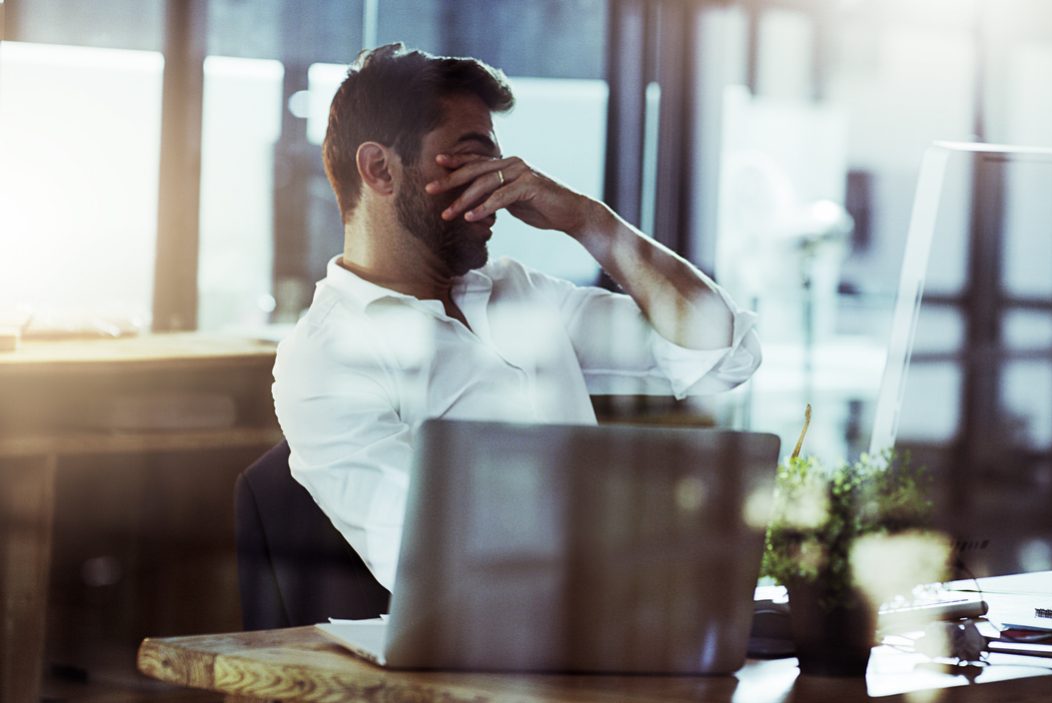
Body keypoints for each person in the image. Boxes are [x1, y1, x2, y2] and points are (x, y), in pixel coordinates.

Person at [272, 44, 761, 590]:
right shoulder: (323, 358)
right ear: (380, 169)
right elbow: (431, 558)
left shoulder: (520, 292)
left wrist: (587, 220)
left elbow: (722, 352)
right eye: (471, 155)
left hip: (617, 614)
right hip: (486, 658)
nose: (503, 178)